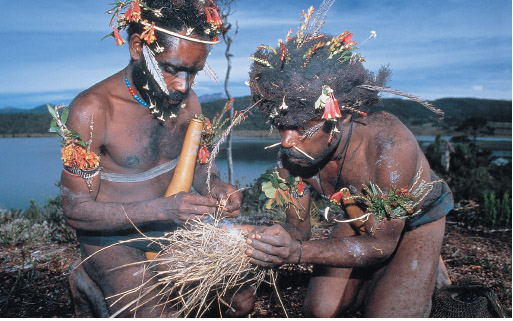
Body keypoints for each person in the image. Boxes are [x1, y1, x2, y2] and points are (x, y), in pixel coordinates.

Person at [244, 5, 454, 318]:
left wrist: (298, 254)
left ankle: (421, 264)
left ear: (335, 118)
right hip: (356, 213)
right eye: (280, 127)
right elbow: (297, 229)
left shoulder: (390, 145)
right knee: (320, 312)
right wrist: (264, 241)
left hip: (413, 221)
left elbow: (380, 242)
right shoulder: (293, 157)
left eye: (300, 128)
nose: (286, 141)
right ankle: (383, 281)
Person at [59, 0, 247, 317]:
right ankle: (88, 276)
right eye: (171, 69)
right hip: (113, 240)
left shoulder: (188, 102)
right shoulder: (93, 109)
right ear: (137, 47)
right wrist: (162, 208)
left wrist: (214, 184)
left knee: (240, 302)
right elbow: (75, 212)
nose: (183, 86)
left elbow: (201, 166)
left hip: (171, 230)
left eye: (193, 72)